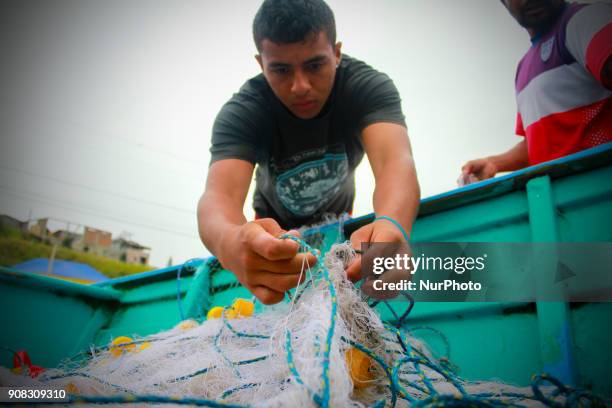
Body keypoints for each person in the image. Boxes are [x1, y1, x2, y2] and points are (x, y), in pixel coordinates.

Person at [197, 0, 420, 305]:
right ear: (261, 64)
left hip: (340, 226)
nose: (300, 86)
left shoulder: (366, 87)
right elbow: (217, 198)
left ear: (337, 53)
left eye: (315, 65)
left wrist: (393, 223)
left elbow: (395, 161)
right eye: (281, 70)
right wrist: (229, 243)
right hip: (275, 241)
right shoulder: (243, 111)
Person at [461, 0, 611, 183]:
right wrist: (495, 163)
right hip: (558, 202)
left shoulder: (584, 20)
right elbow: (538, 143)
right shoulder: (523, 67)